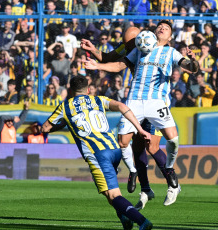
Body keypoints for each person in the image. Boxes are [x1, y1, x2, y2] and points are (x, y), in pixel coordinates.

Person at [84, 21, 199, 207]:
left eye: (166, 28)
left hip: (156, 103)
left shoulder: (169, 52)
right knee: (134, 147)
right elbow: (113, 61)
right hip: (135, 101)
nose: (131, 42)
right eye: (159, 27)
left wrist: (193, 60)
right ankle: (144, 188)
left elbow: (190, 67)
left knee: (152, 146)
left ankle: (171, 180)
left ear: (169, 37)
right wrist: (96, 64)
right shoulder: (138, 47)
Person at [42, 76, 153, 230]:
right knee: (112, 194)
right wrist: (140, 129)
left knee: (113, 195)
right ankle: (125, 218)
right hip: (114, 148)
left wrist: (65, 122)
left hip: (98, 154)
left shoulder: (65, 107)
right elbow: (121, 106)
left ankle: (142, 221)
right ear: (88, 89)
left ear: (70, 90)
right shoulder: (98, 100)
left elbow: (45, 128)